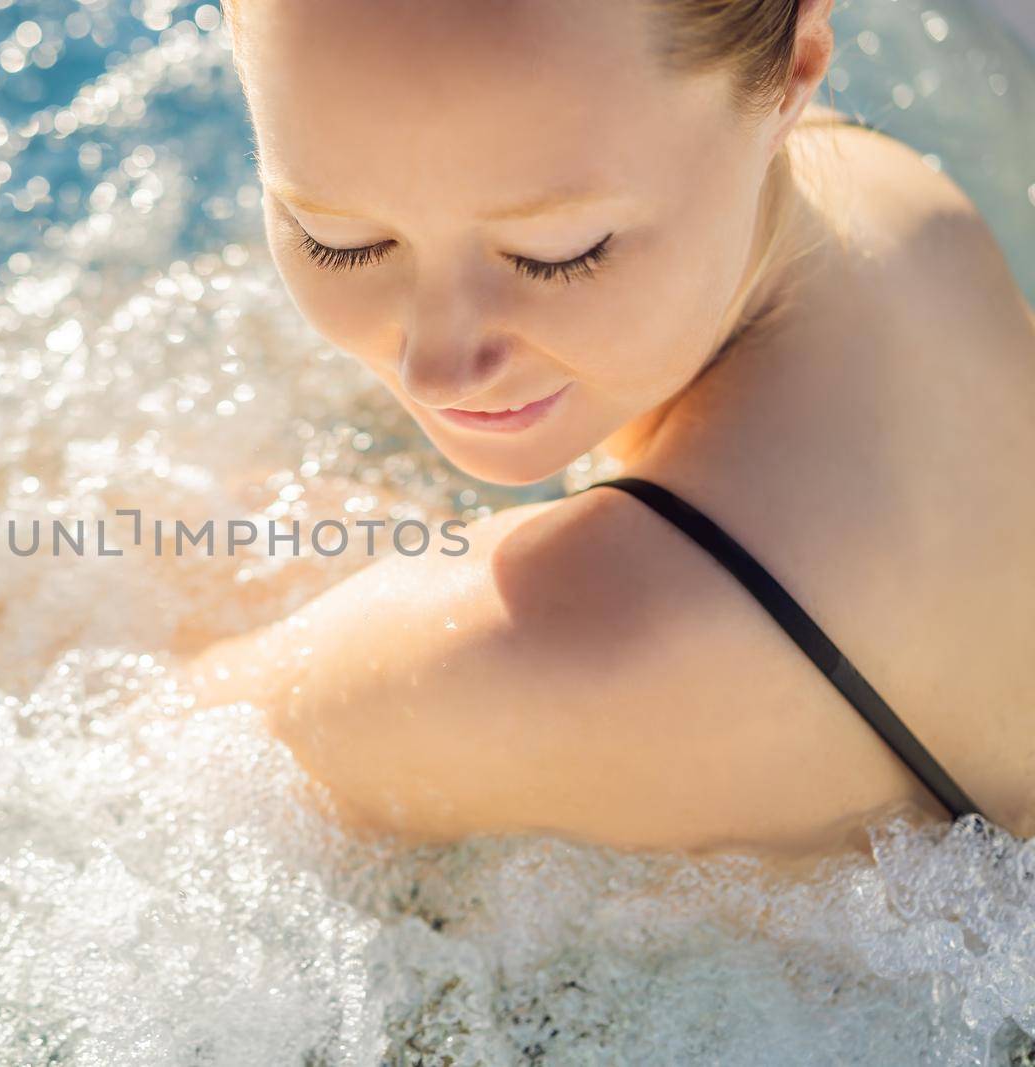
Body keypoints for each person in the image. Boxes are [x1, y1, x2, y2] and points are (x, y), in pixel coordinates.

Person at [176, 0, 1035, 853]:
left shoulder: (587, 640)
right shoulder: (889, 197)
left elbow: (133, 748)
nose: (435, 370)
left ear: (796, 71)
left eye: (561, 253)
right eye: (338, 240)